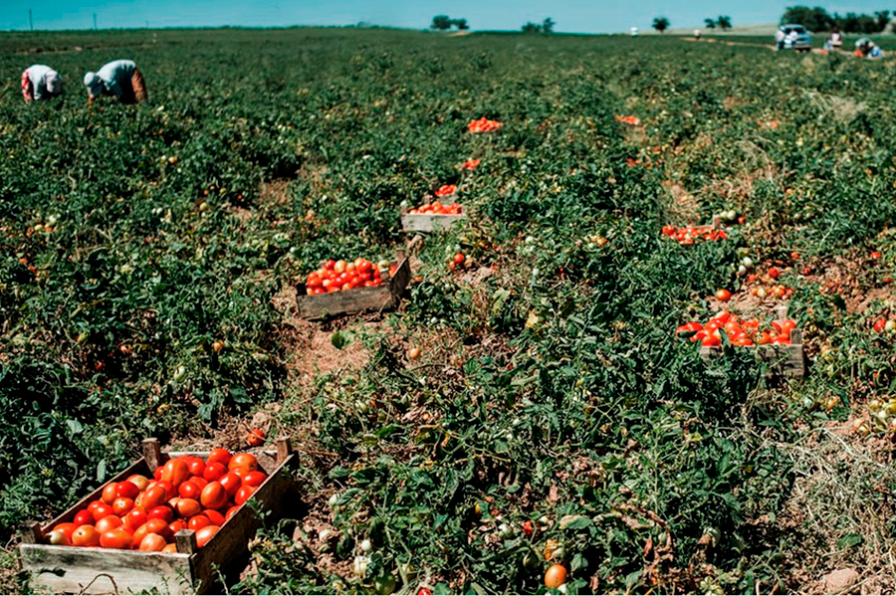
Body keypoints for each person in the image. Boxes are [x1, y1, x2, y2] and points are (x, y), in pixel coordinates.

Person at [83, 59, 147, 105]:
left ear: (101, 82)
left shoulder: (110, 81)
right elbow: (91, 99)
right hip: (120, 77)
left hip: (130, 70)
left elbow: (122, 96)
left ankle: (145, 108)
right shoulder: (90, 83)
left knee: (139, 92)